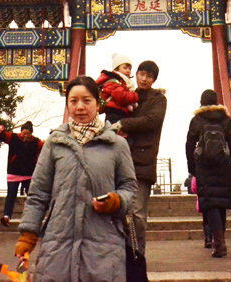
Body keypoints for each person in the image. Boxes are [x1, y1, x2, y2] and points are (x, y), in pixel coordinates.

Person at [13, 75, 138, 281]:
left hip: (104, 247)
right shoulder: (54, 142)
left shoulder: (117, 144)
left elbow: (130, 190)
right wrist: (28, 234)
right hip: (58, 245)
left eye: (87, 100)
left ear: (98, 105)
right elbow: (38, 192)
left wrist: (116, 201)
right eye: (73, 101)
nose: (80, 107)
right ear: (67, 104)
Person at [116, 60, 166, 257]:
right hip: (119, 160)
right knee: (118, 211)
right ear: (135, 74)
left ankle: (137, 257)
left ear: (154, 79)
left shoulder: (159, 99)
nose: (144, 79)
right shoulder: (126, 95)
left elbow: (152, 121)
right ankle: (121, 255)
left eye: (149, 76)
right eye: (141, 74)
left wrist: (123, 123)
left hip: (143, 162)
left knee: (137, 214)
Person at [185, 89, 231, 257]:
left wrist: (193, 166)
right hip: (223, 167)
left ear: (201, 102)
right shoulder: (225, 119)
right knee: (221, 203)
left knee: (209, 203)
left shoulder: (197, 120)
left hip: (204, 167)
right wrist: (226, 157)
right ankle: (220, 239)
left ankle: (218, 242)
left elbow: (189, 145)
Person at [0, 120, 44, 226]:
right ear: (20, 132)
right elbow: (2, 136)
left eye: (28, 134)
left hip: (29, 174)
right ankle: (6, 216)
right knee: (11, 195)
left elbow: (46, 147)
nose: (25, 136)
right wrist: (0, 129)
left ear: (31, 134)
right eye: (23, 133)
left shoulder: (36, 142)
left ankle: (33, 217)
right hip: (14, 172)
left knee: (31, 196)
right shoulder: (13, 137)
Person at [96, 52, 139, 124]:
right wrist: (136, 96)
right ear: (117, 69)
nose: (128, 71)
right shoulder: (113, 81)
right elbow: (121, 96)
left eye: (130, 68)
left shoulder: (123, 82)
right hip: (114, 113)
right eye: (125, 68)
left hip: (120, 113)